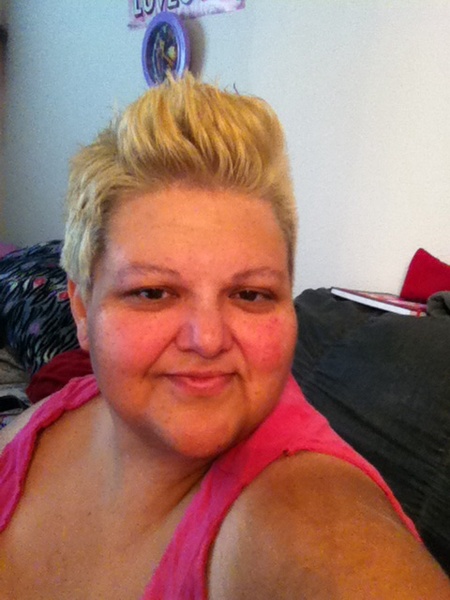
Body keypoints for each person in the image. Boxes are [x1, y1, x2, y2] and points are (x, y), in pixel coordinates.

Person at [0, 74, 449, 600]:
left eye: (250, 295)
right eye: (153, 293)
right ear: (82, 308)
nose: (208, 340)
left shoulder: (299, 520)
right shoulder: (42, 424)